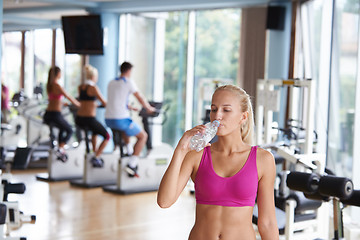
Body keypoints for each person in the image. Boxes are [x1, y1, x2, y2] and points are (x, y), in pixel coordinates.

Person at [157, 85, 279, 240]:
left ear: (243, 117)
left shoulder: (263, 160)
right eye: (214, 109)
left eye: (226, 110)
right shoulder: (197, 156)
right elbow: (164, 201)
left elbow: (267, 222)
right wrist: (180, 150)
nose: (217, 115)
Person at [105, 62, 155, 177]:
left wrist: (129, 107)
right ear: (128, 71)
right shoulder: (128, 82)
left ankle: (128, 150)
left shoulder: (112, 82)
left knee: (125, 129)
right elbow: (139, 97)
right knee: (143, 136)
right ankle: (132, 164)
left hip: (108, 119)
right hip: (120, 119)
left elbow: (116, 99)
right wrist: (149, 108)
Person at [75, 65, 110, 168]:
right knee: (107, 136)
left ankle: (94, 152)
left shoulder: (81, 87)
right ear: (94, 77)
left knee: (95, 132)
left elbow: (84, 101)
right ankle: (97, 156)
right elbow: (104, 102)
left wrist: (94, 104)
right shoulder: (93, 87)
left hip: (79, 118)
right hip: (89, 119)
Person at [43, 66, 80, 162]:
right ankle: (60, 148)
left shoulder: (50, 85)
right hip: (55, 114)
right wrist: (79, 104)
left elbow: (54, 99)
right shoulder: (57, 85)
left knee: (62, 128)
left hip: (48, 114)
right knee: (69, 130)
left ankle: (60, 148)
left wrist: (63, 103)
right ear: (57, 74)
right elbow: (68, 96)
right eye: (60, 72)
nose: (61, 74)